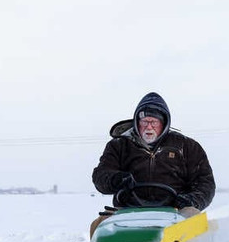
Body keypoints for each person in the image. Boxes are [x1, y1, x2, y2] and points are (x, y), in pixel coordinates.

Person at [92, 92, 215, 220]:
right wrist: (116, 179)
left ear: (164, 123)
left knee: (196, 220)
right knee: (98, 224)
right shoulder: (118, 145)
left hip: (176, 210)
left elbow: (205, 183)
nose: (149, 127)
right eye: (144, 122)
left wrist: (191, 200)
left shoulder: (187, 146)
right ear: (136, 122)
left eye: (154, 122)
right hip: (127, 209)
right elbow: (101, 176)